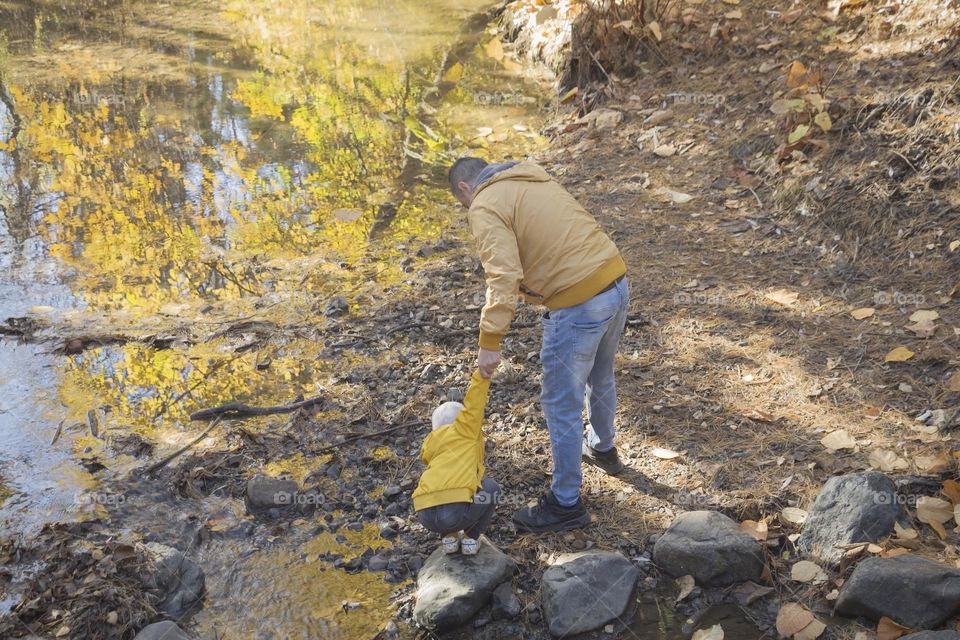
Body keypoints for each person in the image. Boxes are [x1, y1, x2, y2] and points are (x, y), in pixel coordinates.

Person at [448, 157, 629, 533]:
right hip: (615, 281)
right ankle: (603, 449)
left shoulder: (484, 204)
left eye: (461, 203)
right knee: (601, 374)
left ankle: (565, 504)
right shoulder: (531, 177)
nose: (467, 210)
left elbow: (503, 273)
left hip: (579, 302)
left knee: (560, 402)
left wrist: (490, 341)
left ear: (465, 189)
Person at [412, 369, 499, 554]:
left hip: (424, 513)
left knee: (445, 489)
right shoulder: (466, 431)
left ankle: (449, 539)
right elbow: (475, 403)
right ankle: (470, 539)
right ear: (462, 422)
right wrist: (483, 375)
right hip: (452, 513)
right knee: (491, 488)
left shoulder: (431, 442)